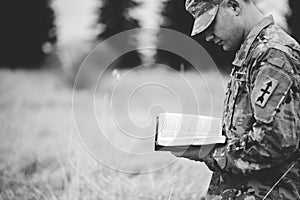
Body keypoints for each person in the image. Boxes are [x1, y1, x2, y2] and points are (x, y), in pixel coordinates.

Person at [172, 0, 300, 199]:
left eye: (211, 23)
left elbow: (274, 142)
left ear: (233, 5)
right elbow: (245, 128)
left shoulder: (273, 55)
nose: (207, 36)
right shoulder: (252, 53)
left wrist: (207, 153)